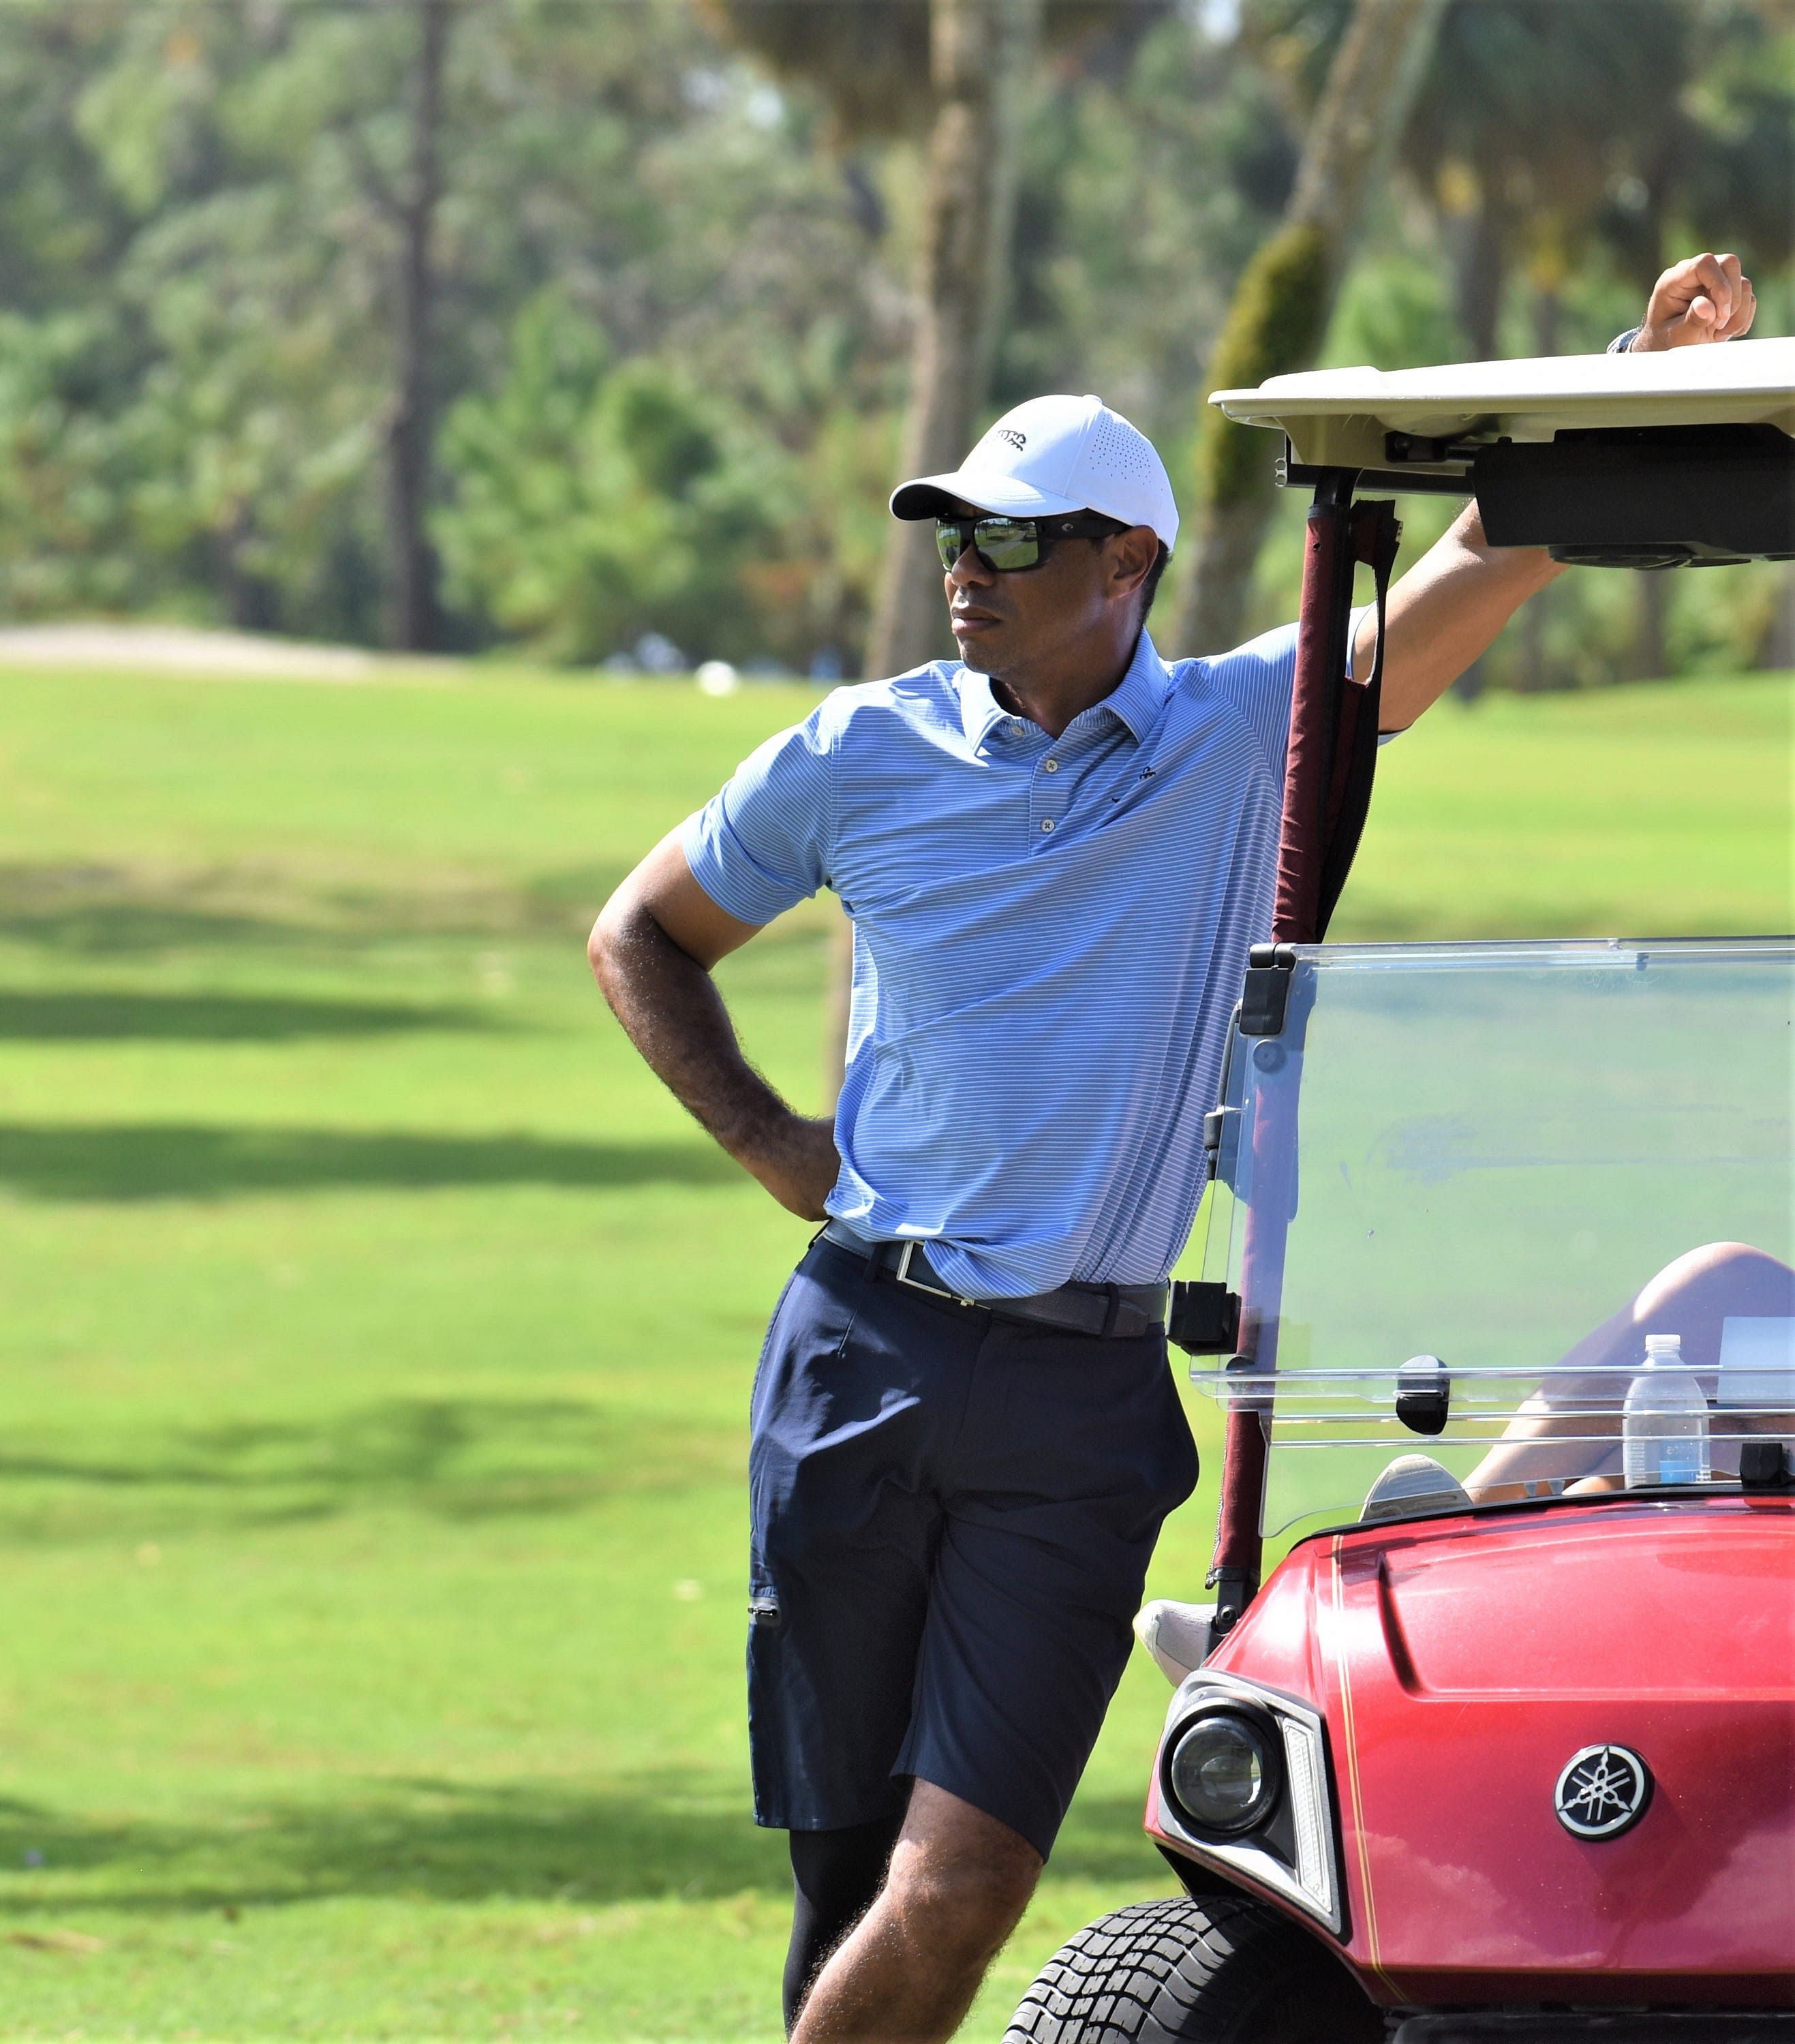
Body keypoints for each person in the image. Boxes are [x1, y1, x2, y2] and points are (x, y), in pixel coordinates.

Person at [589, 253, 1757, 2044]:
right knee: (840, 1883)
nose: (963, 578)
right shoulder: (858, 751)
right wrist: (771, 1147)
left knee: (962, 1882)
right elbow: (640, 936)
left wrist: (1634, 369)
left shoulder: (1236, 736)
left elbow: (1483, 561)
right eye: (951, 544)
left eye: (1010, 544)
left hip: (1077, 1397)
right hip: (859, 1353)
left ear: (1121, 564)